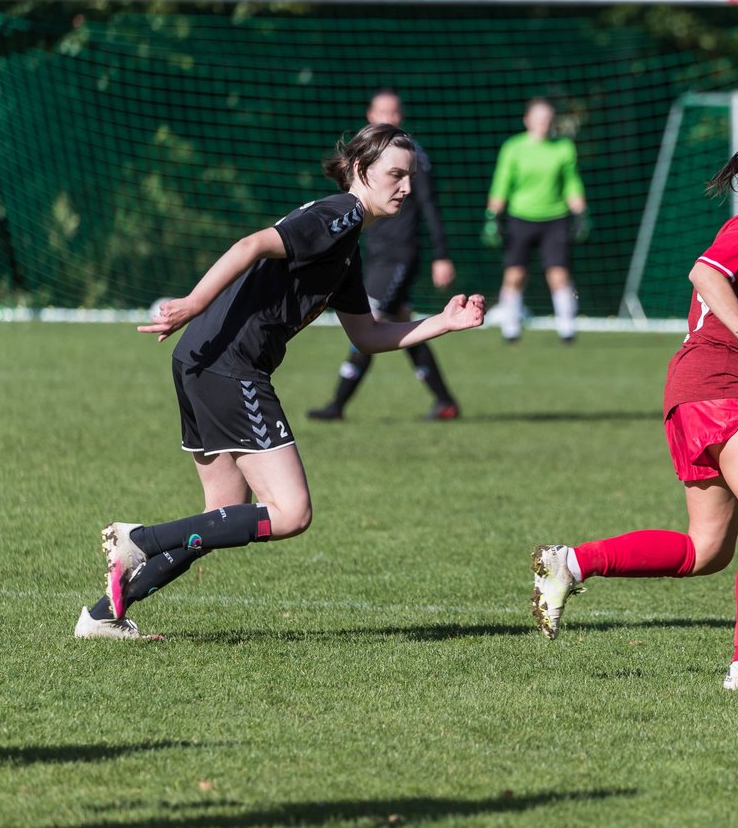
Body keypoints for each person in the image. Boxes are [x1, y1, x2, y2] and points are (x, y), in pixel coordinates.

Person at [74, 123, 486, 639]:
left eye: (410, 177)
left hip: (202, 360)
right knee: (291, 513)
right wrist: (194, 302)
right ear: (361, 171)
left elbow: (368, 335)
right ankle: (140, 539)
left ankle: (103, 614)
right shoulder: (340, 216)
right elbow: (250, 245)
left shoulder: (347, 245)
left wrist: (444, 323)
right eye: (395, 175)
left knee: (222, 517)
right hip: (230, 365)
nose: (406, 187)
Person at [529, 124, 738, 697]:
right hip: (724, 383)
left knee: (707, 550)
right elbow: (705, 273)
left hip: (697, 390)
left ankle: (570, 563)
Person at [308, 88, 460, 422]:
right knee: (403, 327)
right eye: (383, 113)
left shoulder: (410, 155)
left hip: (399, 256)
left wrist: (442, 255)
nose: (390, 119)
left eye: (395, 113)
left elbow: (430, 206)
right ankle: (446, 402)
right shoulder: (372, 157)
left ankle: (337, 405)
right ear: (370, 116)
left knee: (369, 325)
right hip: (377, 254)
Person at [482, 97, 587, 343]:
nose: (543, 123)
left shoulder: (564, 148)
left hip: (555, 218)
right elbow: (501, 183)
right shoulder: (513, 148)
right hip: (521, 217)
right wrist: (492, 216)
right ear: (527, 120)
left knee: (559, 274)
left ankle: (567, 328)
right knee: (515, 274)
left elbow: (571, 184)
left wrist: (581, 213)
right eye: (538, 118)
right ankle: (511, 327)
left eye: (548, 118)